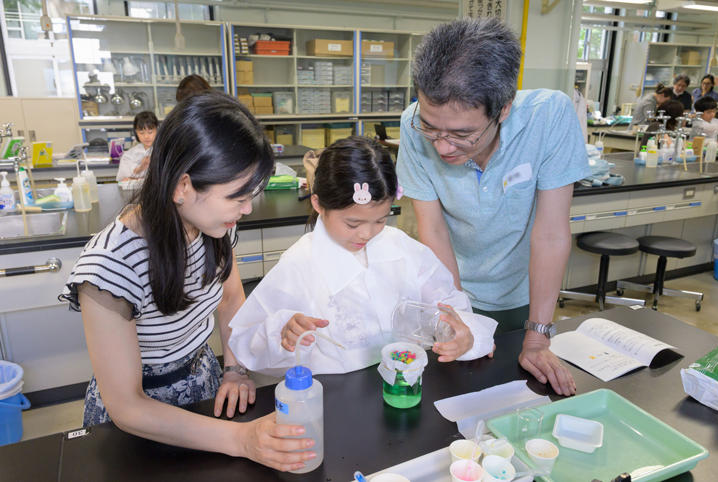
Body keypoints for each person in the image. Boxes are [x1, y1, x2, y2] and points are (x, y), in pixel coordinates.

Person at [60, 92, 316, 472]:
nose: (247, 209)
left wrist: (235, 369)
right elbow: (127, 406)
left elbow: (230, 300)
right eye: (237, 197)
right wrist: (241, 439)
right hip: (141, 422)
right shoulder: (110, 266)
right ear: (182, 186)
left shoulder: (213, 227)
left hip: (202, 384)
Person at [396, 18, 591, 397]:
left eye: (462, 134)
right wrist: (460, 318)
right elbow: (433, 231)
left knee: (518, 399)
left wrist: (538, 337)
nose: (443, 146)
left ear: (503, 109)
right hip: (449, 291)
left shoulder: (549, 116)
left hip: (524, 295)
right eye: (431, 128)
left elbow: (551, 234)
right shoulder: (411, 124)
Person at [227, 136, 497, 376]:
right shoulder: (299, 264)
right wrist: (282, 331)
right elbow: (247, 339)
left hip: (405, 382)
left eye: (380, 220)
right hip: (336, 394)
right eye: (352, 224)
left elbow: (449, 306)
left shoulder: (401, 248)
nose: (367, 234)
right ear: (318, 203)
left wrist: (460, 334)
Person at [116, 111, 158, 182]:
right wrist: (141, 168)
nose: (146, 136)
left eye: (150, 132)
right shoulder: (129, 155)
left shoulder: (164, 151)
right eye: (141, 133)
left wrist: (135, 179)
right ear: (136, 132)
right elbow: (123, 180)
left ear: (157, 130)